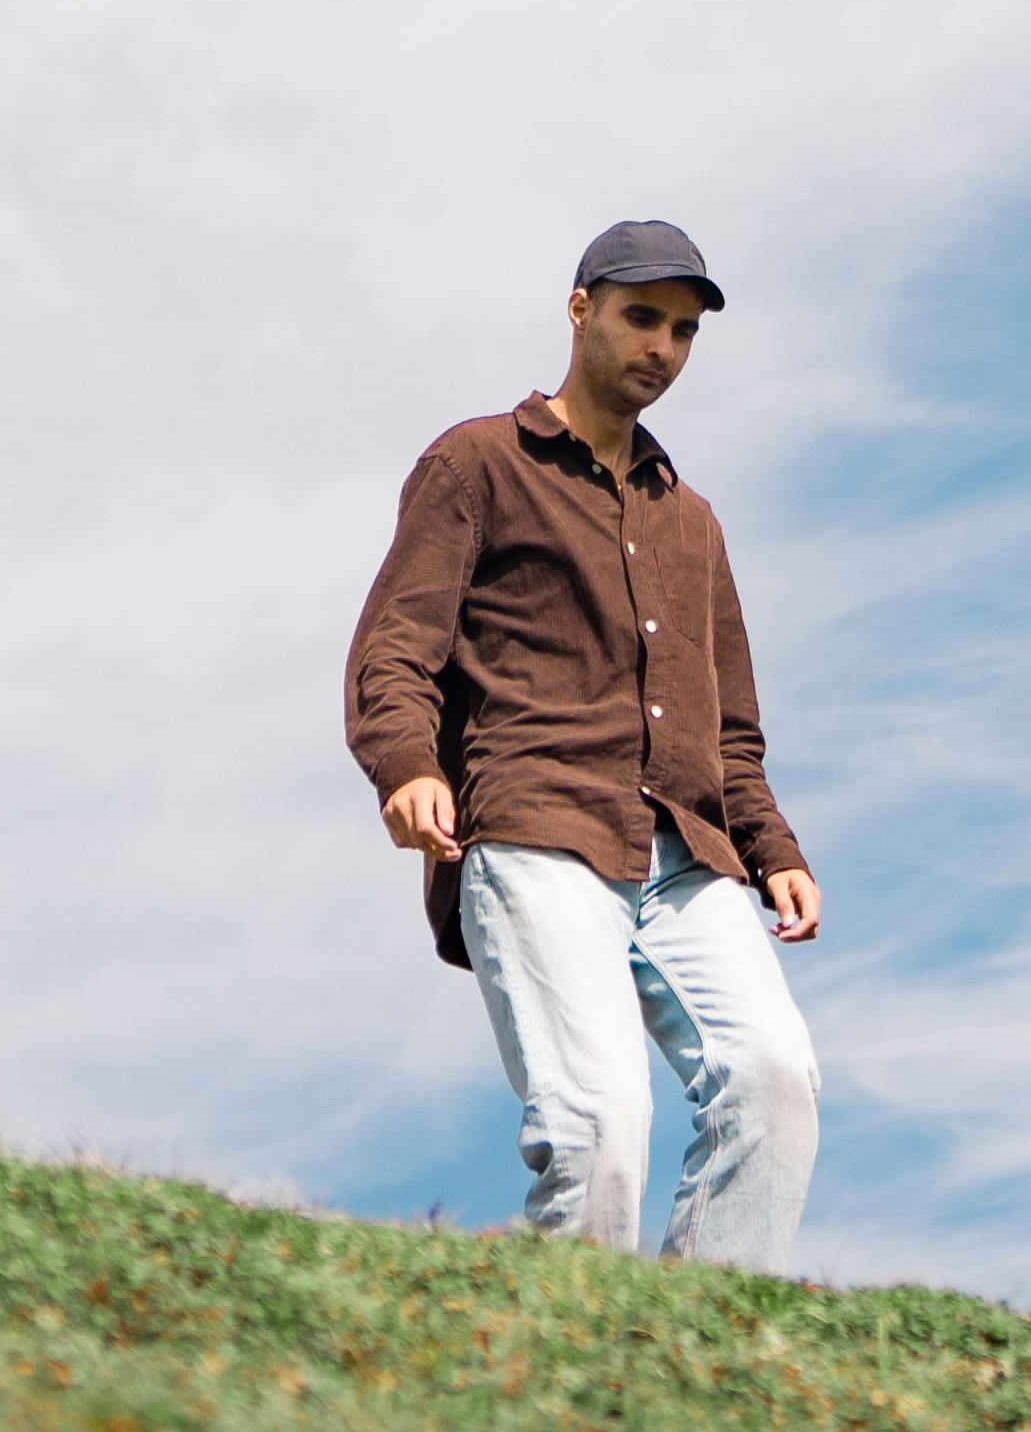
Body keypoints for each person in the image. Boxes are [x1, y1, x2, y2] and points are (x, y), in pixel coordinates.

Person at [343, 214, 823, 1269]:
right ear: (579, 309)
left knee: (775, 1083)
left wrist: (774, 851)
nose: (661, 347)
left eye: (683, 331)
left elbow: (729, 728)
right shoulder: (476, 464)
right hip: (536, 825)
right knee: (600, 1125)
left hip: (688, 854)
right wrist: (408, 766)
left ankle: (705, 1351)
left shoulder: (691, 521)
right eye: (641, 318)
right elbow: (396, 648)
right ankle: (578, 1356)